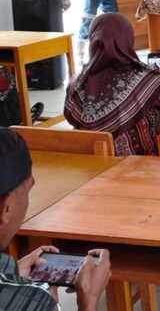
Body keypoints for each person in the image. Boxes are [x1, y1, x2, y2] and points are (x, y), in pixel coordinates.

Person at [0, 127, 111, 311]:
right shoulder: (34, 301)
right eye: (28, 190)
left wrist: (10, 271)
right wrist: (89, 300)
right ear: (7, 207)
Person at [63, 13, 160, 156]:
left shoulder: (77, 81)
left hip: (92, 168)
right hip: (143, 166)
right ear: (127, 40)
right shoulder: (147, 80)